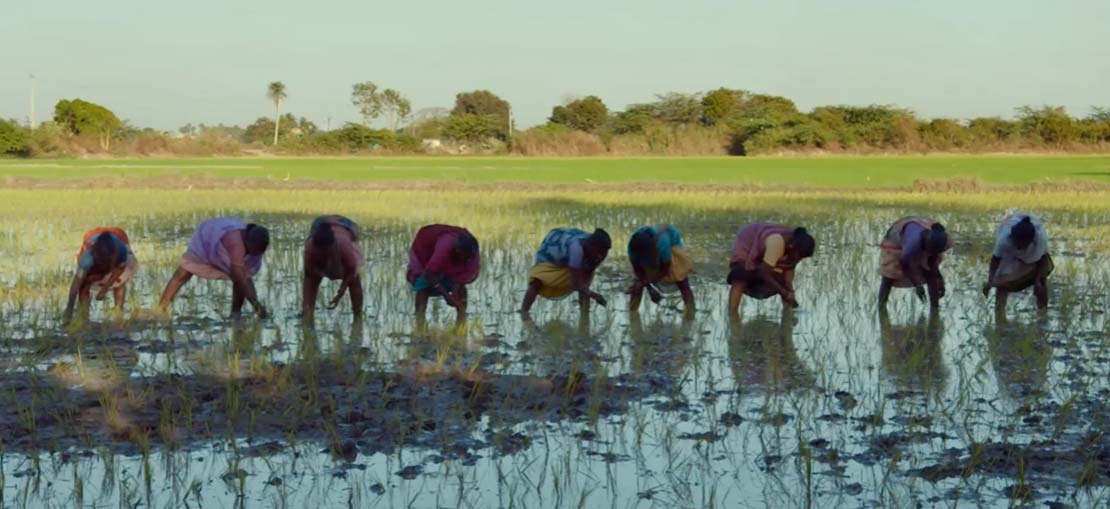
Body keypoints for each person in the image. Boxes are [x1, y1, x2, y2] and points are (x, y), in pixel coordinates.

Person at [157, 217, 270, 319]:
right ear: (246, 242)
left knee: (240, 278)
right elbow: (240, 278)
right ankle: (161, 309)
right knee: (183, 272)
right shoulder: (236, 243)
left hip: (227, 243)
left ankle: (236, 313)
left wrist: (256, 306)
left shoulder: (255, 247)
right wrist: (257, 307)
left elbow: (244, 278)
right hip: (208, 239)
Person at [727, 223, 815, 317]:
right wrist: (784, 293)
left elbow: (787, 281)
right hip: (748, 242)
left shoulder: (795, 249)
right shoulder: (777, 243)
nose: (799, 260)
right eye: (799, 256)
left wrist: (790, 299)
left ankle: (787, 315)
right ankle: (733, 315)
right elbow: (763, 272)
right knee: (740, 276)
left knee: (780, 280)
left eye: (802, 258)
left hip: (767, 254)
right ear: (791, 247)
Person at [521, 228, 611, 315]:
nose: (601, 256)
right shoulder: (576, 248)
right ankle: (524, 312)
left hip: (571, 255)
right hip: (552, 251)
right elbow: (576, 284)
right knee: (537, 281)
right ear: (592, 246)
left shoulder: (600, 252)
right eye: (600, 252)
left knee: (585, 284)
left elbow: (585, 280)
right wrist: (595, 296)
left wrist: (587, 289)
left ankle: (585, 313)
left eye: (604, 253)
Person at [406, 224, 480, 326]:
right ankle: (420, 320)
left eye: (466, 258)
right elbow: (429, 274)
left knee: (461, 288)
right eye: (461, 256)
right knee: (423, 284)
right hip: (424, 250)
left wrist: (455, 291)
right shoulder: (444, 247)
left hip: (446, 252)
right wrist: (446, 295)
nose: (463, 260)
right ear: (456, 250)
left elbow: (463, 277)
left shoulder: (473, 254)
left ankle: (461, 318)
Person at [63, 227, 137, 325]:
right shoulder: (87, 258)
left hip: (118, 234)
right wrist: (69, 307)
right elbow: (77, 283)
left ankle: (119, 314)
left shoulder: (122, 251)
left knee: (119, 282)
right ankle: (84, 317)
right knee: (84, 284)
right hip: (92, 236)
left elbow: (120, 269)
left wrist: (105, 288)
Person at [982, 213, 1052, 312]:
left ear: (1031, 241)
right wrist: (990, 280)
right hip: (1010, 249)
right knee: (1002, 282)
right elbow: (995, 260)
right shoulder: (1004, 240)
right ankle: (999, 313)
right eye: (1017, 243)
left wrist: (1037, 281)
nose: (1019, 246)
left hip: (1033, 255)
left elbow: (1043, 261)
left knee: (1041, 282)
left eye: (1022, 244)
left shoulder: (1040, 240)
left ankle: (1043, 311)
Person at [878, 216, 951, 310]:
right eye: (930, 251)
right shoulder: (912, 244)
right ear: (926, 243)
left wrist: (940, 280)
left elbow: (932, 265)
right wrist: (917, 285)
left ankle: (934, 308)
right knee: (889, 276)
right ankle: (881, 307)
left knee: (930, 273)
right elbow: (904, 264)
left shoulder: (943, 238)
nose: (931, 254)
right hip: (897, 238)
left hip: (923, 225)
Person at [302, 215, 365, 322]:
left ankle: (357, 315)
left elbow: (351, 270)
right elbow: (309, 276)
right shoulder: (310, 249)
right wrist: (306, 311)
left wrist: (341, 292)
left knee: (354, 280)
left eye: (326, 253)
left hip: (346, 225)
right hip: (319, 223)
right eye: (321, 253)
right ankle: (307, 316)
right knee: (312, 279)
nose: (324, 255)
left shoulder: (344, 247)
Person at [627, 225, 695, 312]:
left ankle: (691, 312)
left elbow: (665, 268)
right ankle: (632, 313)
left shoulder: (663, 244)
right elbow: (639, 273)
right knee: (637, 284)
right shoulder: (633, 250)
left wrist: (652, 281)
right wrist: (650, 289)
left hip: (671, 243)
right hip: (650, 247)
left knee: (682, 280)